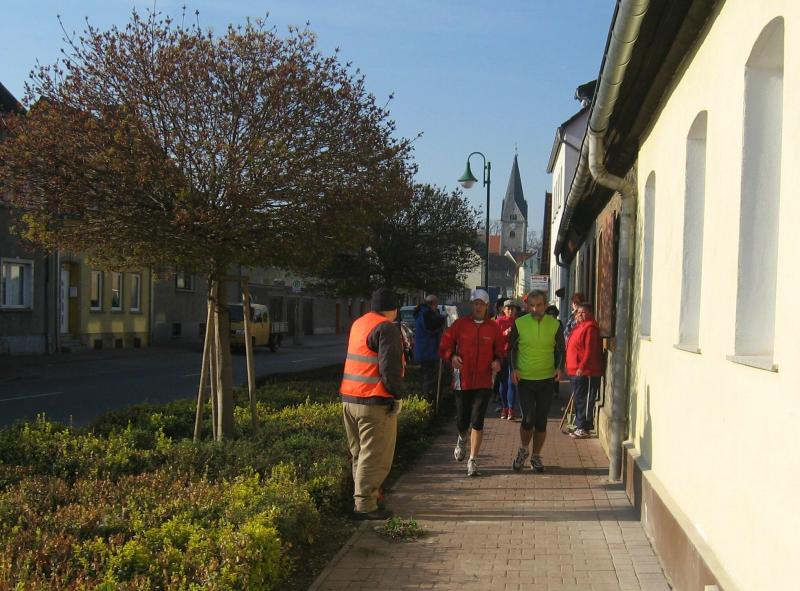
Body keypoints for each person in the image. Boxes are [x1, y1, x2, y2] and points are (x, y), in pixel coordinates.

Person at [340, 287, 404, 520]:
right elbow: (390, 369)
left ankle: (365, 498)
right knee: (375, 456)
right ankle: (365, 505)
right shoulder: (386, 328)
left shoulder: (359, 323)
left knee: (360, 454)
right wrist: (397, 396)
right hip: (374, 402)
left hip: (349, 400)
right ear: (393, 309)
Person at [439, 288, 503, 477]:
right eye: (475, 303)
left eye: (481, 304)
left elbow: (500, 350)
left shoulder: (493, 327)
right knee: (462, 421)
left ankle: (473, 460)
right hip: (463, 380)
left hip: (483, 380)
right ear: (472, 305)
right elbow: (445, 345)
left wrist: (498, 361)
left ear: (487, 306)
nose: (478, 307)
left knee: (477, 421)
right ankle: (461, 438)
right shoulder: (460, 325)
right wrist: (452, 356)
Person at [509, 290, 566, 473]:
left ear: (545, 305)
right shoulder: (519, 323)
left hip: (546, 379)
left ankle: (535, 456)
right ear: (527, 306)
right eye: (531, 306)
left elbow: (561, 350)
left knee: (541, 421)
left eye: (539, 305)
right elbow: (512, 349)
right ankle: (523, 449)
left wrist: (559, 368)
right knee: (528, 419)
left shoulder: (555, 325)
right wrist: (514, 369)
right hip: (525, 379)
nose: (535, 309)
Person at [566, 303, 603, 438]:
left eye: (583, 312)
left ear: (590, 313)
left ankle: (584, 427)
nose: (579, 315)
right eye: (578, 312)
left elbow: (590, 349)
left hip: (586, 371)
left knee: (585, 399)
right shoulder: (577, 327)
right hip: (574, 369)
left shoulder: (590, 327)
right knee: (579, 398)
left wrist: (582, 366)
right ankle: (579, 424)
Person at [413, 294, 446, 402]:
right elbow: (431, 327)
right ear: (433, 304)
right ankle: (429, 402)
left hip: (426, 352)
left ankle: (429, 401)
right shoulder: (426, 313)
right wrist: (442, 319)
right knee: (431, 380)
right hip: (429, 352)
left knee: (429, 378)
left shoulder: (422, 313)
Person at [496, 299, 519, 420]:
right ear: (503, 310)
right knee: (503, 382)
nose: (510, 310)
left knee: (512, 382)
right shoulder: (499, 321)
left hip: (514, 355)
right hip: (502, 355)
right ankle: (504, 408)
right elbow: (495, 338)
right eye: (508, 308)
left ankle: (511, 409)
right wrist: (505, 333)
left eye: (512, 308)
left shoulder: (518, 322)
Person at [545, 304, 562, 399]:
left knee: (556, 369)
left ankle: (555, 390)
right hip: (547, 350)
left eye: (554, 314)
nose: (552, 315)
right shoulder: (545, 324)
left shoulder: (559, 323)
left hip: (557, 350)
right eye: (550, 314)